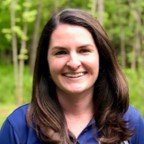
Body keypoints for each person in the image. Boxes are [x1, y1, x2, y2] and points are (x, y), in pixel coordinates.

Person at [0, 8, 144, 144]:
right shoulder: (18, 127)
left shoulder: (130, 122)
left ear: (101, 57)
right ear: (46, 62)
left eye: (84, 50)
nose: (74, 63)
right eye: (61, 52)